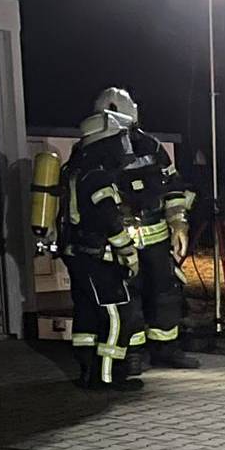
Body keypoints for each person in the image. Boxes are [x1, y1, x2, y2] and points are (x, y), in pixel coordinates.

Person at [75, 88, 200, 369]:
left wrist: (179, 222)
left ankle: (166, 348)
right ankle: (131, 354)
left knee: (166, 292)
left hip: (156, 235)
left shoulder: (151, 147)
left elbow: (174, 187)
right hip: (119, 238)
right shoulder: (94, 149)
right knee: (128, 297)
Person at [58, 91, 149, 388]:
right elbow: (108, 218)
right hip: (98, 257)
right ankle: (107, 376)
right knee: (115, 315)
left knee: (85, 315)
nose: (124, 147)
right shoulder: (97, 176)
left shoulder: (74, 169)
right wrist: (128, 251)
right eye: (120, 139)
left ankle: (86, 371)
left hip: (77, 254)